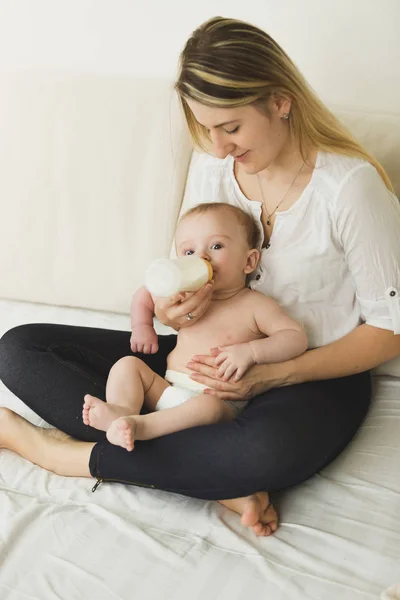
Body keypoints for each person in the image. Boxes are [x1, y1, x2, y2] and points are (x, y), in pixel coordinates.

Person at [1, 16, 400, 538]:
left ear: (280, 101)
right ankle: (216, 476)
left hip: (313, 375)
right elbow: (177, 277)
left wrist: (274, 373)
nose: (216, 146)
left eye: (230, 127)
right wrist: (170, 311)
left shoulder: (349, 188)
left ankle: (58, 453)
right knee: (20, 348)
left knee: (260, 452)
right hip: (198, 362)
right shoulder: (213, 169)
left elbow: (390, 329)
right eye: (204, 128)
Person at [82, 202, 307, 455]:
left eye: (216, 246)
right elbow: (144, 294)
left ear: (249, 261)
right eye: (189, 252)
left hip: (217, 402)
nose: (202, 257)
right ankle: (122, 412)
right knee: (127, 365)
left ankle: (141, 427)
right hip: (166, 390)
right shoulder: (185, 294)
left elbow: (295, 337)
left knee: (207, 407)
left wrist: (251, 352)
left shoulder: (254, 304)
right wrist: (142, 326)